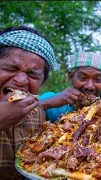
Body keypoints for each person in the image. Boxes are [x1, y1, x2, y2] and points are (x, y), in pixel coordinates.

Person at [0, 26, 58, 179]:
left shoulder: (37, 112)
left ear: (43, 82)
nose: (20, 80)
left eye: (33, 75)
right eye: (11, 68)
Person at [39, 52, 101, 123]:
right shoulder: (50, 99)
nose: (89, 86)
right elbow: (29, 109)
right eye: (82, 78)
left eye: (97, 80)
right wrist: (48, 103)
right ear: (71, 77)